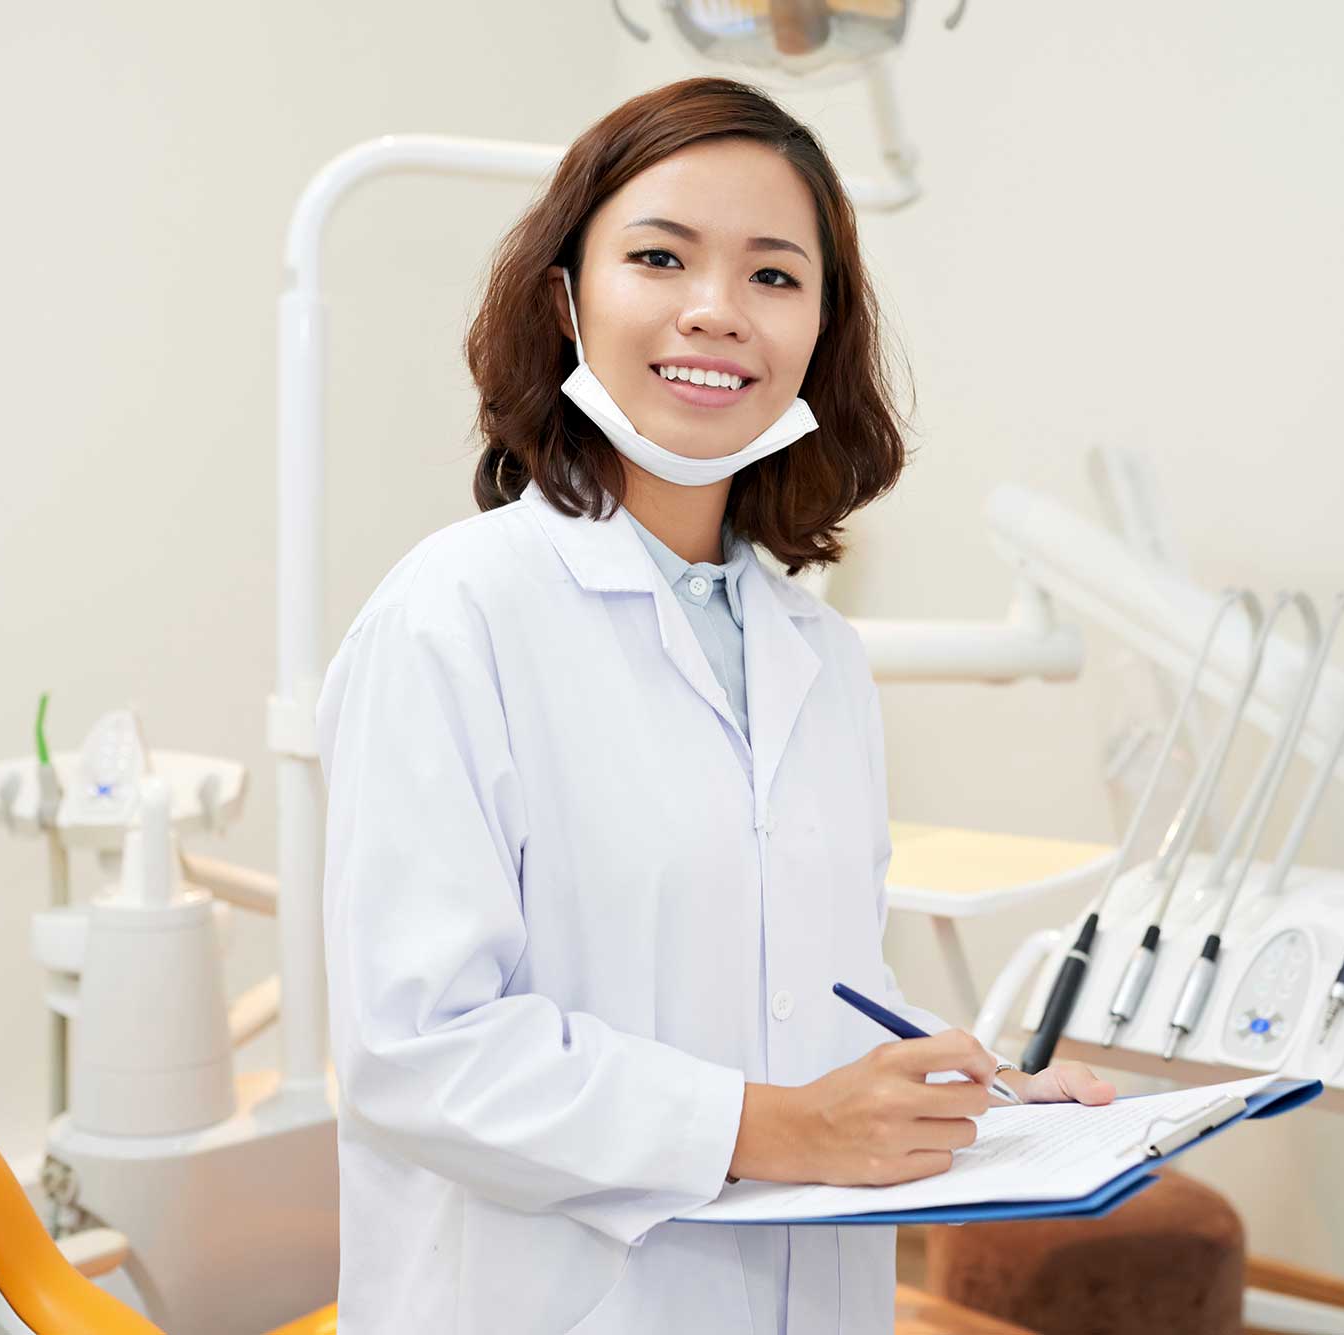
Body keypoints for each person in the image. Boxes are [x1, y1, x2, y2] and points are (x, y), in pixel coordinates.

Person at [316, 76, 1114, 1335]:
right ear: (566, 301)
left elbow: (798, 988)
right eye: (658, 256)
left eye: (773, 276)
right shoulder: (455, 615)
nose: (715, 311)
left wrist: (979, 1102)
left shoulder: (816, 654)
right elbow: (416, 1053)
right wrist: (773, 1126)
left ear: (818, 330)